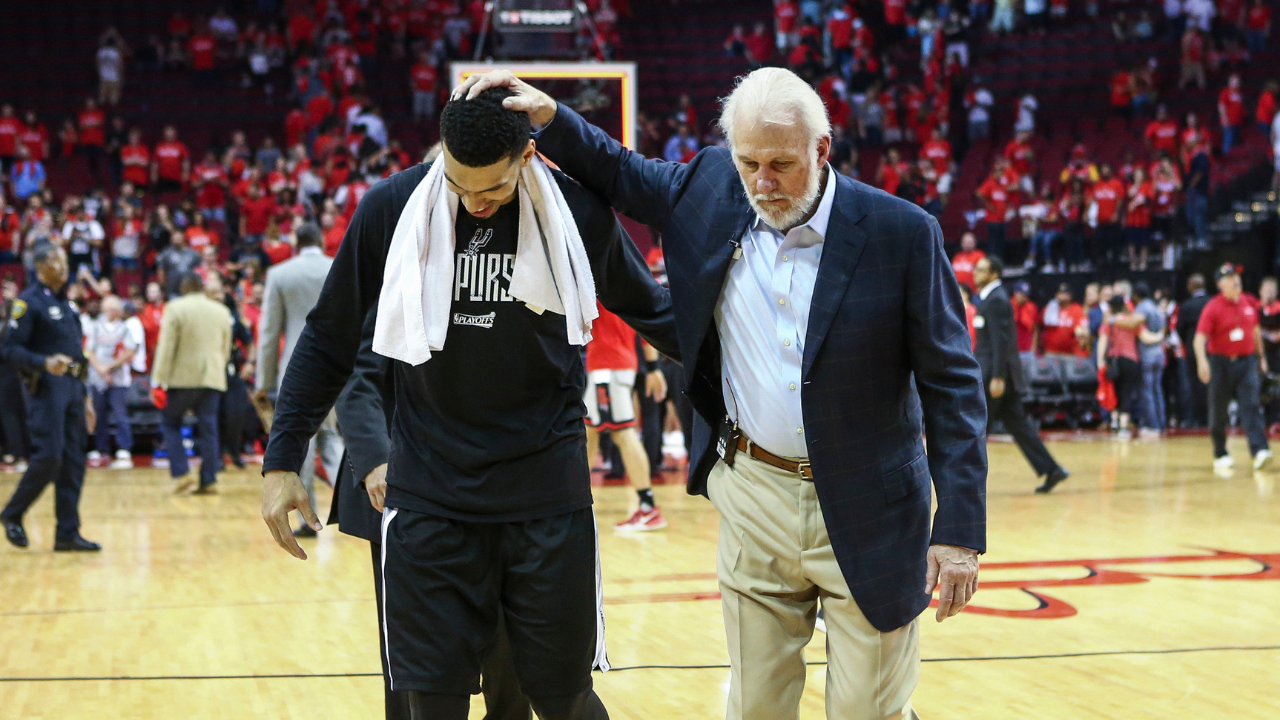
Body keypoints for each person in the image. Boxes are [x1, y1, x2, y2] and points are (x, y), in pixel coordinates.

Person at [457, 67, 986, 719]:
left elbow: (953, 385)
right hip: (754, 490)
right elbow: (619, 170)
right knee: (755, 706)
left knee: (866, 711)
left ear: (821, 151)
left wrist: (959, 528)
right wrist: (551, 117)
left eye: (782, 165)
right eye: (749, 162)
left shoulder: (901, 233)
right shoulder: (710, 187)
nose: (763, 182)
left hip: (872, 500)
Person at [260, 87, 679, 720]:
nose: (474, 203)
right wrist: (282, 456)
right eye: (460, 185)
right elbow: (328, 336)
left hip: (545, 497)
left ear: (527, 156)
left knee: (564, 697)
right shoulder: (391, 208)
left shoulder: (576, 214)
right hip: (431, 497)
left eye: (493, 189)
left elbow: (657, 313)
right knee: (430, 701)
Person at [331, 307, 532, 720]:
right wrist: (373, 460)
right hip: (403, 484)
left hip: (501, 483)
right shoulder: (396, 257)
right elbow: (358, 375)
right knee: (414, 666)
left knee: (509, 656)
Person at [1, 243, 101, 551]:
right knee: (50, 455)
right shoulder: (28, 303)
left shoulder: (68, 305)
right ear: (41, 266)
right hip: (45, 389)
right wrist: (43, 362)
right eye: (56, 260)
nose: (64, 264)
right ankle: (12, 514)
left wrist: (85, 398)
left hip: (72, 388)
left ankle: (67, 533)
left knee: (74, 461)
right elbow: (8, 349)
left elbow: (76, 355)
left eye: (64, 259)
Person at [255, 222, 342, 537]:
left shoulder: (280, 274)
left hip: (296, 369)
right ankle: (357, 503)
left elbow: (268, 333)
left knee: (300, 441)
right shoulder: (337, 267)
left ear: (296, 242)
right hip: (340, 368)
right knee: (332, 439)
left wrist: (263, 382)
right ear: (320, 240)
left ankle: (310, 519)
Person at [972, 256, 1070, 491]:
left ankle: (967, 482)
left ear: (994, 274)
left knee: (976, 428)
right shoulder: (989, 299)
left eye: (981, 270)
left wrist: (997, 377)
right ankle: (1052, 469)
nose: (975, 273)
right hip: (998, 376)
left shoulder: (996, 300)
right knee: (1018, 426)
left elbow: (1001, 342)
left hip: (996, 378)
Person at [583, 302, 668, 531]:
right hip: (614, 365)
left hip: (607, 366)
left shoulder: (599, 278)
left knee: (623, 433)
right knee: (589, 435)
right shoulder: (625, 284)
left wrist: (653, 368)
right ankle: (575, 500)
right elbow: (646, 327)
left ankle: (648, 507)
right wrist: (652, 367)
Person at [150, 272, 233, 494]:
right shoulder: (222, 311)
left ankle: (182, 474)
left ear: (184, 288)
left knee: (170, 422)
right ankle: (210, 479)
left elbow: (166, 347)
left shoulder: (175, 308)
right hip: (212, 377)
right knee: (209, 428)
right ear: (203, 288)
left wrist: (158, 380)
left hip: (182, 378)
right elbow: (225, 348)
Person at [1194, 263, 1272, 470]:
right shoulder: (1213, 307)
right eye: (1229, 278)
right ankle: (1220, 452)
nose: (1235, 281)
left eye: (1236, 277)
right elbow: (1199, 338)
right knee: (1219, 411)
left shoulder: (1249, 302)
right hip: (1221, 363)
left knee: (1252, 405)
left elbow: (1255, 331)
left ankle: (1259, 450)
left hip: (1246, 362)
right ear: (1220, 284)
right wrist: (1202, 362)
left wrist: (1261, 356)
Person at [84, 295, 138, 469]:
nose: (109, 311)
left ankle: (124, 447)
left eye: (113, 308)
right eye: (107, 308)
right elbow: (88, 351)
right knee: (98, 414)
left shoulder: (124, 329)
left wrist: (110, 368)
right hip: (97, 378)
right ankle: (102, 448)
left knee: (120, 413)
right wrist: (100, 369)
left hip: (118, 379)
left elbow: (129, 351)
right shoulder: (95, 328)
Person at [1097, 294, 1145, 439]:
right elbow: (1144, 336)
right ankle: (1124, 426)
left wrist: (1100, 360)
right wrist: (1159, 336)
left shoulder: (1108, 321)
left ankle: (1114, 422)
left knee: (1114, 391)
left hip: (1114, 360)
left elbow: (1103, 340)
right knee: (1127, 392)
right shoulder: (1132, 320)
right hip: (1130, 359)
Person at [1133, 282, 1168, 437]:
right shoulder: (1157, 309)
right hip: (1159, 352)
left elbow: (1136, 323)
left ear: (1136, 295)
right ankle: (1161, 423)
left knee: (1147, 390)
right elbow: (1163, 331)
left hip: (1147, 353)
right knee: (1157, 389)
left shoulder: (1142, 308)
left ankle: (1151, 425)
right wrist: (1159, 337)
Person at [156, 229, 202, 299]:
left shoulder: (193, 253)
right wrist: (163, 287)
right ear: (171, 239)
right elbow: (161, 270)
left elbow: (200, 270)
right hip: (173, 290)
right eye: (175, 239)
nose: (177, 240)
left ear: (183, 238)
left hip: (189, 289)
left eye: (179, 238)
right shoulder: (166, 253)